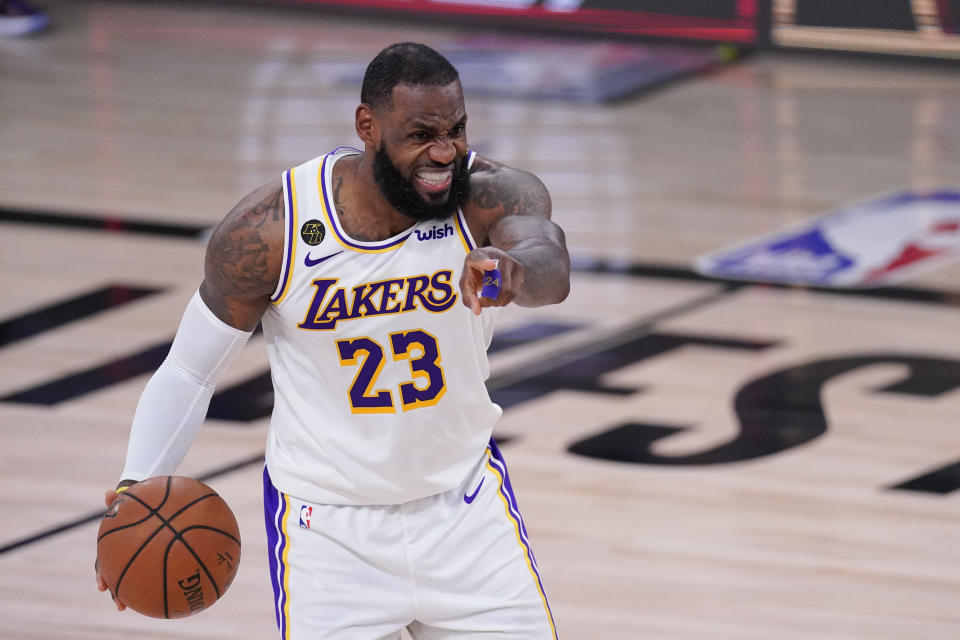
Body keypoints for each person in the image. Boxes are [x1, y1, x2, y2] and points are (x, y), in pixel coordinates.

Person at [96, 42, 569, 639]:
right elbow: (191, 373)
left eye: (456, 129)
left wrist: (515, 271)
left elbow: (549, 262)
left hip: (465, 512)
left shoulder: (488, 196)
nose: (444, 152)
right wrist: (135, 490)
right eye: (422, 134)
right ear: (367, 126)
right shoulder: (273, 229)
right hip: (328, 536)